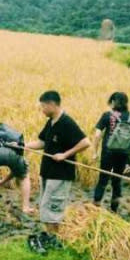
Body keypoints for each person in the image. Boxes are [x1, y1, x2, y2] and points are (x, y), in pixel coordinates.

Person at [25, 90, 91, 250]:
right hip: (48, 172)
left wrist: (65, 155)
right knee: (45, 205)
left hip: (61, 174)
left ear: (51, 105)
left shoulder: (67, 122)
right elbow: (42, 142)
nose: (42, 111)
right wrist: (23, 146)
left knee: (54, 207)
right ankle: (50, 237)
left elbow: (85, 142)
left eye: (43, 107)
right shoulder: (51, 121)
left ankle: (55, 239)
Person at [91, 92, 130, 212]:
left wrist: (94, 152)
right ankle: (114, 209)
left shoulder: (107, 115)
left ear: (113, 102)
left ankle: (95, 207)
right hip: (123, 153)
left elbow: (97, 135)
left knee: (103, 180)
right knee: (117, 181)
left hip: (108, 152)